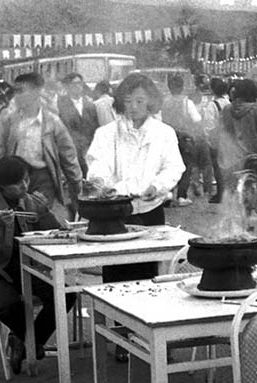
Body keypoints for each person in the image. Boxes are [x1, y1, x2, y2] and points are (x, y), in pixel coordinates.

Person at [87, 74, 186, 362]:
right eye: (128, 101)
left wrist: (158, 186)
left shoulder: (164, 132)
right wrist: (114, 189)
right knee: (118, 277)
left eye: (140, 101)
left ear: (151, 102)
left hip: (151, 210)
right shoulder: (106, 134)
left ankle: (152, 336)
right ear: (120, 102)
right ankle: (121, 338)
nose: (134, 107)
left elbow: (174, 167)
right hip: (116, 213)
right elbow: (97, 170)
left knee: (152, 277)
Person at [0, 156, 76, 374]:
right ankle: (31, 343)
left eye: (27, 180)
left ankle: (26, 341)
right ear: (2, 187)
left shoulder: (30, 203)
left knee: (65, 294)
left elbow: (57, 234)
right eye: (18, 184)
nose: (25, 186)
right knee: (7, 304)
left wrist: (45, 212)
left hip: (27, 269)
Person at [0, 72, 82, 221]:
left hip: (43, 177)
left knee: (40, 215)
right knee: (18, 214)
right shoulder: (10, 120)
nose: (16, 95)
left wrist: (77, 184)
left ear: (36, 91)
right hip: (16, 176)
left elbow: (68, 155)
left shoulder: (52, 122)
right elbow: (1, 150)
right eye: (15, 91)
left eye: (21, 91)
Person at [160, 74, 201, 207]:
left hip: (167, 139)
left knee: (168, 166)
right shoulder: (187, 102)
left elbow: (159, 120)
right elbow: (197, 120)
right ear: (182, 87)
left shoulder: (164, 102)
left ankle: (168, 195)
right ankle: (181, 196)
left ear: (169, 87)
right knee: (185, 167)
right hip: (185, 138)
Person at [57, 72, 99, 178]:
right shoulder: (60, 104)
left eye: (79, 83)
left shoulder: (90, 105)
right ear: (67, 87)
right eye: (74, 84)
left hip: (89, 148)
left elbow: (95, 127)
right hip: (70, 151)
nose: (78, 86)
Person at [203, 77, 231, 204]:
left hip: (217, 141)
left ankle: (220, 194)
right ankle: (229, 194)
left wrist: (209, 140)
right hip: (229, 140)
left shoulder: (212, 105)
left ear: (212, 89)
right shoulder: (229, 103)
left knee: (218, 168)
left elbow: (209, 125)